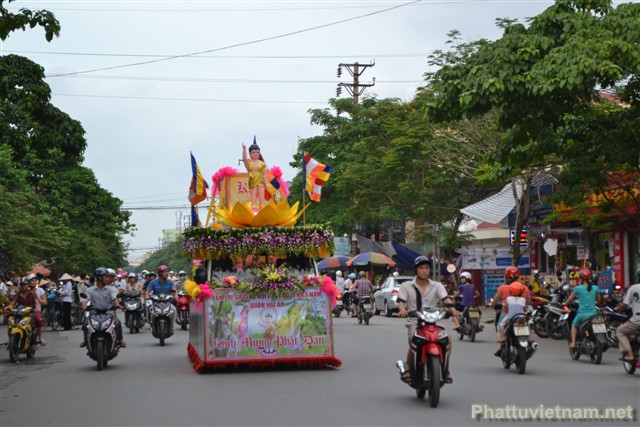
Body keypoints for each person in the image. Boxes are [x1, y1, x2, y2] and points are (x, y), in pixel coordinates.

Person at [397, 256, 459, 384]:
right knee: (414, 340)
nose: (424, 271)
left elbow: (446, 299)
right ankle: (408, 368)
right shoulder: (406, 286)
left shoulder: (437, 285)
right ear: (416, 270)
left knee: (448, 338)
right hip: (415, 321)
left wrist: (453, 310)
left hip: (433, 321)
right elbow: (401, 302)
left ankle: (446, 370)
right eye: (421, 268)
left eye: (427, 268)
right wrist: (402, 310)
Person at [81, 268, 125, 348]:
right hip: (94, 313)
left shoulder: (111, 289)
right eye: (106, 277)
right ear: (100, 278)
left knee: (117, 323)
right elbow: (85, 300)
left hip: (108, 313)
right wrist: (84, 306)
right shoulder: (90, 290)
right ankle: (86, 340)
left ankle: (120, 340)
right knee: (85, 323)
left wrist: (118, 305)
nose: (109, 279)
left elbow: (115, 299)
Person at [564, 268, 601, 349]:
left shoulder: (578, 288)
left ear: (582, 279)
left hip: (582, 314)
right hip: (594, 314)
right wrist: (594, 303)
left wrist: (565, 303)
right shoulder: (595, 288)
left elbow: (570, 299)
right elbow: (599, 301)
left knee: (574, 325)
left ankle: (573, 343)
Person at [11, 274, 46, 346]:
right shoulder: (18, 293)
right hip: (21, 312)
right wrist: (7, 307)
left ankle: (40, 338)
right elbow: (13, 302)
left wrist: (37, 307)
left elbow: (39, 302)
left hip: (32, 311)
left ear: (28, 285)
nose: (23, 286)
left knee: (38, 320)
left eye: (25, 284)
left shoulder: (35, 292)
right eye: (22, 285)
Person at [497, 281, 533, 346]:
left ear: (511, 291)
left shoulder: (509, 298)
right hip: (521, 316)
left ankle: (502, 338)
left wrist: (504, 305)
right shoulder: (523, 299)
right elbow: (525, 307)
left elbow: (505, 306)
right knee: (528, 325)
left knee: (501, 325)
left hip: (511, 317)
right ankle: (529, 338)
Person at [614, 281, 640, 362]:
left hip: (637, 320)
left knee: (620, 331)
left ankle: (630, 354)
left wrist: (617, 309)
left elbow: (625, 304)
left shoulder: (634, 288)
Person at [242, 141, 269, 212]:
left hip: (261, 181)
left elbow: (264, 174)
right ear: (250, 154)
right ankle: (253, 206)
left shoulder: (262, 164)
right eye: (253, 152)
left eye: (257, 152)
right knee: (253, 194)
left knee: (261, 194)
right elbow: (244, 159)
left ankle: (262, 205)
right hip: (252, 180)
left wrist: (266, 183)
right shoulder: (249, 163)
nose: (256, 154)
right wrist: (244, 149)